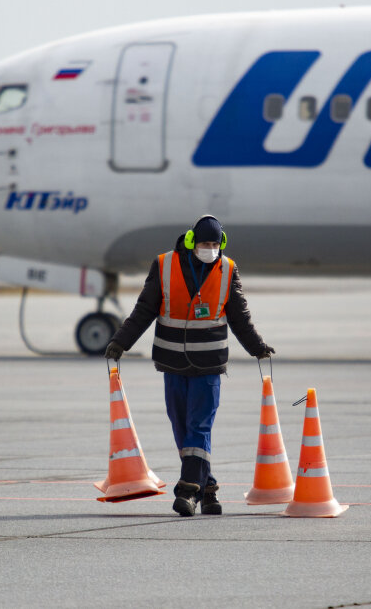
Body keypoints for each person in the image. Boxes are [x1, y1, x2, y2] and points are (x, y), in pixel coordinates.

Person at [103, 215, 274, 517]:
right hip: (173, 363)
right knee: (181, 428)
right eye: (205, 244)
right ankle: (208, 490)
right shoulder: (165, 265)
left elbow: (239, 317)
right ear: (193, 242)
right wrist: (121, 342)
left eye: (214, 244)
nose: (210, 249)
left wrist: (257, 346)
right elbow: (144, 309)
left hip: (209, 364)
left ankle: (187, 490)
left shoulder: (227, 269)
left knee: (199, 426)